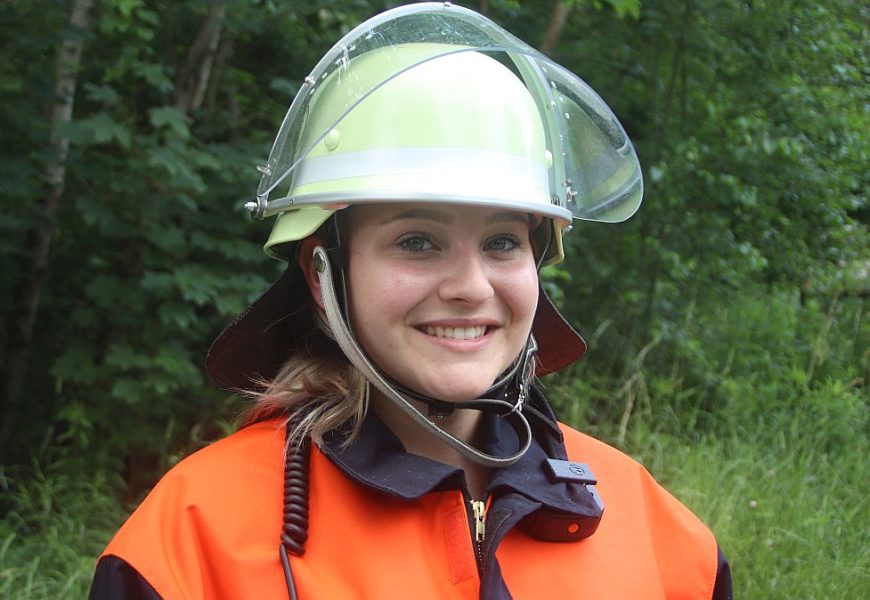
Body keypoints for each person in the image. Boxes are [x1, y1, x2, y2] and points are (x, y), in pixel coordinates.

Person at [90, 3, 732, 599]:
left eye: (504, 241)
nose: (471, 286)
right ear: (322, 274)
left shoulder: (658, 537)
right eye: (418, 241)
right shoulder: (193, 546)